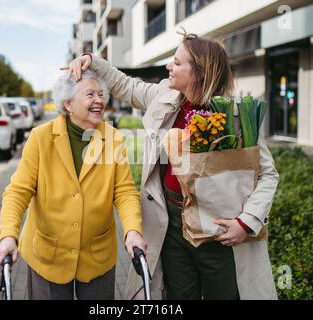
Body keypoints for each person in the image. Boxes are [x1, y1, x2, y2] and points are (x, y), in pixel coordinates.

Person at [61, 31, 279, 300]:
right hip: (171, 226)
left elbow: (268, 174)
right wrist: (91, 60)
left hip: (219, 231)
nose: (168, 67)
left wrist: (246, 223)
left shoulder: (234, 116)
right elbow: (125, 85)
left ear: (199, 72)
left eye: (176, 63)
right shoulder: (165, 96)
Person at [0, 70, 147, 300]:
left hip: (97, 255)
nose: (99, 100)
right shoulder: (41, 138)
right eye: (90, 94)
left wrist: (133, 231)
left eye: (100, 94)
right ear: (68, 104)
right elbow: (18, 192)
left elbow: (124, 191)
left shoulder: (113, 139)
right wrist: (8, 235)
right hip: (48, 256)